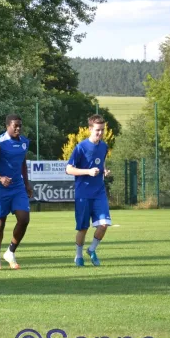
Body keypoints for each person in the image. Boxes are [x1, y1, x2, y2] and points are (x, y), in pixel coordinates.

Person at [0, 114, 33, 270]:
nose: (18, 128)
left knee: (24, 218)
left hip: (17, 186)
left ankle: (10, 251)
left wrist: (27, 183)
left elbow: (22, 163)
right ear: (7, 126)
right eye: (15, 125)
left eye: (20, 125)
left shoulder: (24, 142)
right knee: (0, 222)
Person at [65, 114, 111, 267]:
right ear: (90, 129)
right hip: (83, 194)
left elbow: (101, 162)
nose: (100, 133)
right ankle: (78, 256)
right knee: (83, 228)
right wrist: (88, 172)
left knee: (104, 224)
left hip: (99, 192)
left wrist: (104, 170)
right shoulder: (81, 148)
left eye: (103, 130)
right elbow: (69, 169)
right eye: (98, 130)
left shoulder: (104, 146)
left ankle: (91, 250)